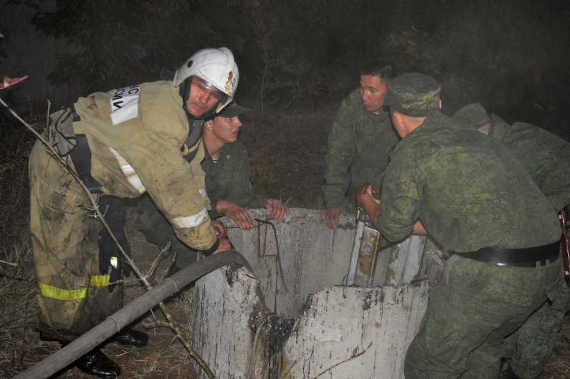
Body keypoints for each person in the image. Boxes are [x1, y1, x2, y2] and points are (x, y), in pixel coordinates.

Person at [28, 47, 238, 378]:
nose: (204, 99)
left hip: (101, 178)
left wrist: (208, 218)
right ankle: (73, 344)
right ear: (186, 78)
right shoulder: (162, 117)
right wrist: (211, 244)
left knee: (111, 257)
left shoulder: (189, 120)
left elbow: (192, 176)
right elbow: (176, 196)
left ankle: (107, 327)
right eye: (201, 86)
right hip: (63, 165)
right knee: (68, 262)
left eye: (215, 95)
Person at [356, 73, 562, 379]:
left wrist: (368, 204)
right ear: (439, 105)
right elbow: (470, 212)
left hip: (494, 274)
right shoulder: (478, 138)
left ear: (395, 115)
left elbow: (394, 229)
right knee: (481, 351)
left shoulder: (410, 153)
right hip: (549, 265)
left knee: (428, 364)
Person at [453, 103, 570, 379]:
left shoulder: (517, 149)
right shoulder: (508, 140)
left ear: (482, 131)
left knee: (548, 306)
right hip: (554, 223)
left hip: (563, 230)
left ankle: (522, 373)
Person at [135, 102, 288, 270]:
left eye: (237, 118)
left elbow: (240, 197)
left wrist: (265, 204)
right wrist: (219, 206)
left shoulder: (236, 151)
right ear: (208, 123)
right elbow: (176, 200)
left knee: (235, 238)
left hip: (207, 212)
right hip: (165, 213)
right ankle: (181, 276)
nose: (238, 123)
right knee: (194, 246)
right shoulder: (184, 151)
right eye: (230, 118)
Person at [322, 63, 399, 228]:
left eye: (372, 90)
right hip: (358, 188)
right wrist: (334, 199)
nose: (364, 96)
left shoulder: (405, 109)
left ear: (390, 89)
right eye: (362, 88)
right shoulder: (353, 106)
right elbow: (338, 153)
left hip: (396, 190)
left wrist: (382, 187)